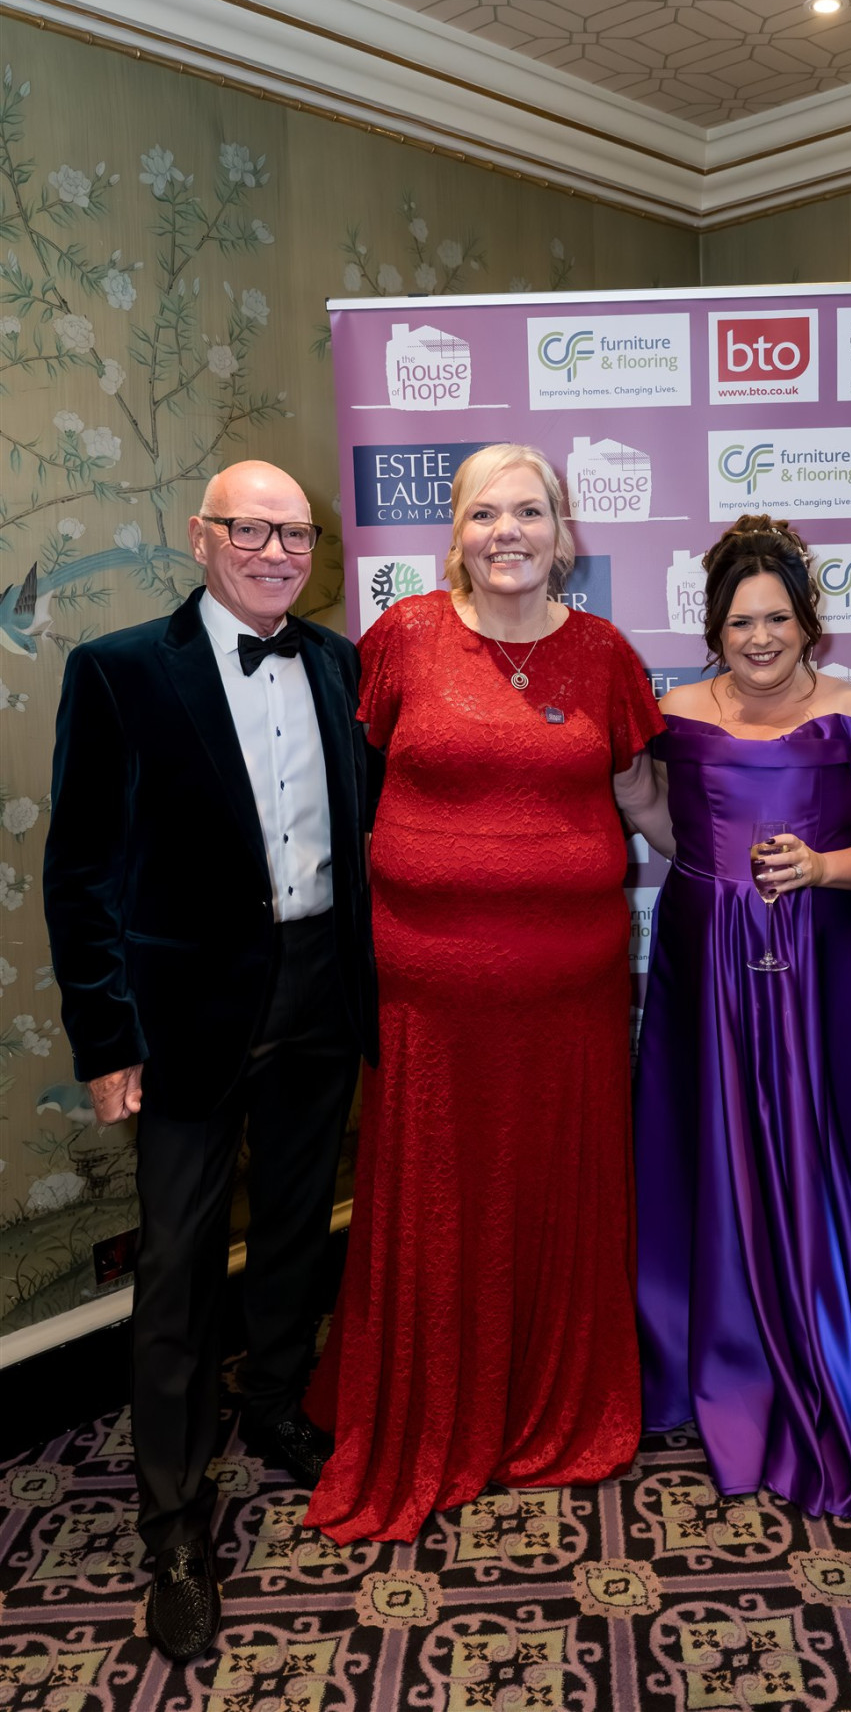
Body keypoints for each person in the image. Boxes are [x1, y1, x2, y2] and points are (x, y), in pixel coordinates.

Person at [43, 461, 377, 1663]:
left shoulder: (341, 664)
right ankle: (175, 1516)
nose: (278, 551)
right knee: (179, 1264)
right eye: (252, 528)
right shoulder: (121, 669)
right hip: (186, 1016)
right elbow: (80, 873)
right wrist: (106, 1038)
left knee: (296, 1219)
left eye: (296, 533)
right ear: (201, 536)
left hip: (320, 988)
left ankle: (276, 1398)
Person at [304, 443, 667, 1543]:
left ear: (564, 531)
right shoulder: (402, 638)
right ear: (454, 533)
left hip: (571, 1005)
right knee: (439, 1202)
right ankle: (429, 1405)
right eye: (483, 513)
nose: (507, 531)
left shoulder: (605, 653)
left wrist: (757, 873)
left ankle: (553, 1394)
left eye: (529, 511)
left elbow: (645, 797)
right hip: (432, 1003)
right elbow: (349, 791)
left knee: (554, 1193)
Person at [635, 514, 851, 1518]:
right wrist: (627, 792)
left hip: (830, 962)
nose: (761, 638)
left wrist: (821, 868)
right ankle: (711, 1351)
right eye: (741, 621)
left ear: (809, 622)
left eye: (778, 618)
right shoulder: (672, 711)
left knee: (843, 1143)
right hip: (707, 956)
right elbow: (669, 828)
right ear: (714, 627)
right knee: (710, 1142)